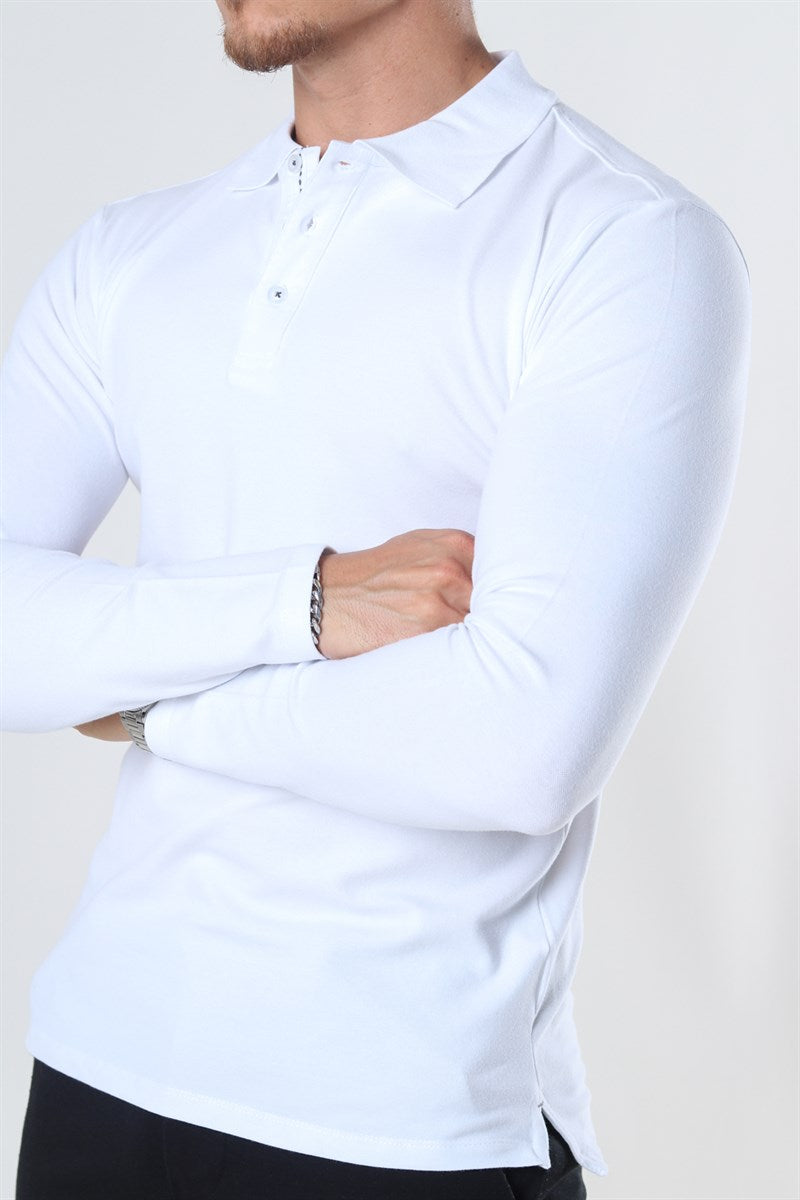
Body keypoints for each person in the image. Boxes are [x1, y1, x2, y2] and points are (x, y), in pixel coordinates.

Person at [2, 0, 752, 1196]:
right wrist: (299, 603)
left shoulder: (620, 238)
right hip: (100, 1071)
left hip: (404, 1121)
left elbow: (518, 750)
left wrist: (143, 705)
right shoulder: (131, 253)